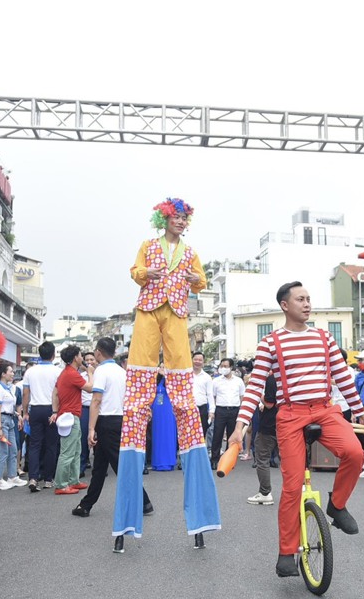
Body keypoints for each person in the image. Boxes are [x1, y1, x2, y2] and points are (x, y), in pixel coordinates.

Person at [228, 281, 364, 578]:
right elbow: (255, 386)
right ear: (285, 305)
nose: (307, 304)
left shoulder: (324, 338)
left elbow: (343, 380)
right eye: (300, 299)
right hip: (291, 414)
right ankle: (286, 551)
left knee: (355, 453)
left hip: (325, 408)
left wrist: (362, 415)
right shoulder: (271, 342)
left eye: (309, 299)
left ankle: (337, 505)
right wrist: (239, 426)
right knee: (293, 486)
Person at [112, 198, 220, 552]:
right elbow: (134, 271)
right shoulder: (148, 245)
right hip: (148, 310)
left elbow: (201, 281)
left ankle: (199, 516)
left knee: (181, 385)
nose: (181, 223)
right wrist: (147, 274)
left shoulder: (190, 252)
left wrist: (194, 279)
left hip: (176, 313)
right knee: (141, 371)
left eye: (185, 219)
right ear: (164, 218)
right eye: (177, 218)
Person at [73, 338, 153, 518]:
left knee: (120, 467)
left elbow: (96, 400)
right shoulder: (121, 371)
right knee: (99, 467)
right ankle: (85, 505)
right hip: (120, 420)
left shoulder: (101, 371)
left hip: (107, 421)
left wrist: (91, 428)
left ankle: (144, 502)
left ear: (99, 352)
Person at [50, 346, 93, 495]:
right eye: (81, 355)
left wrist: (55, 411)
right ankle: (61, 484)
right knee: (68, 452)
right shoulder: (71, 374)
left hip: (69, 415)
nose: (82, 358)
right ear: (75, 357)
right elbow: (91, 388)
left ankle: (73, 480)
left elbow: (55, 394)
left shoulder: (65, 373)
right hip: (70, 416)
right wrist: (90, 373)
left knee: (75, 451)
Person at [21, 341, 62, 492]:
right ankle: (48, 479)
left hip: (35, 409)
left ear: (40, 354)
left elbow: (26, 393)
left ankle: (33, 478)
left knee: (34, 445)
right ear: (53, 354)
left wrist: (25, 412)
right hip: (52, 409)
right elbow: (59, 394)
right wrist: (57, 411)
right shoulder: (58, 372)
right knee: (51, 445)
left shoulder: (30, 371)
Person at [0, 361, 26, 490]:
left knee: (13, 450)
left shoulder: (9, 388)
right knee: (2, 451)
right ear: (3, 374)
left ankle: (12, 476)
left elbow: (7, 406)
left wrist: (17, 414)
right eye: (10, 371)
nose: (13, 374)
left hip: (10, 420)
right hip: (1, 422)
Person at [248, 374, 279, 505]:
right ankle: (300, 489)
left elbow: (270, 403)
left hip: (269, 425)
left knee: (262, 458)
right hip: (288, 422)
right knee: (292, 460)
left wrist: (258, 395)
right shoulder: (289, 376)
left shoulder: (272, 378)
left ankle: (265, 493)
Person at [210, 358, 245, 468]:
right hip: (220, 410)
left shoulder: (238, 381)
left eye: (226, 366)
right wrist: (214, 410)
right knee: (217, 435)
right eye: (222, 366)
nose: (223, 368)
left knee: (231, 436)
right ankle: (214, 460)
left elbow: (242, 396)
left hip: (234, 410)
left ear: (231, 367)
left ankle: (228, 460)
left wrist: (242, 412)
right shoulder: (216, 381)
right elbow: (213, 397)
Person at [79, 351, 96, 477]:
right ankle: (81, 467)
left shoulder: (102, 374)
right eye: (87, 360)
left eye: (92, 359)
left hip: (99, 410)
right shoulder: (80, 376)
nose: (89, 362)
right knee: (84, 437)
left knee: (99, 439)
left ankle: (100, 467)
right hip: (84, 409)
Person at [193, 352, 213, 439]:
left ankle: (200, 452)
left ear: (203, 362)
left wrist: (211, 410)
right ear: (192, 360)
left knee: (202, 433)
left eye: (200, 360)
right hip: (189, 408)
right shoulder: (186, 375)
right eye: (195, 359)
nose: (197, 362)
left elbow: (210, 394)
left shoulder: (207, 377)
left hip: (202, 408)